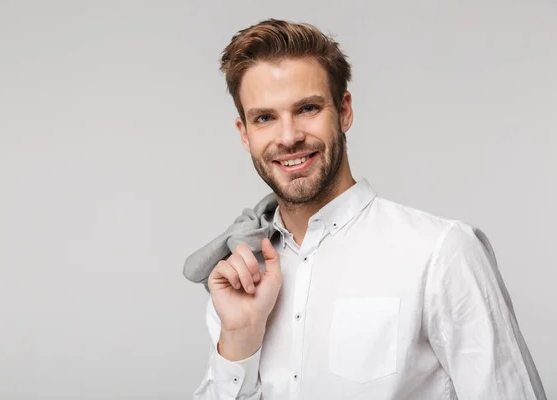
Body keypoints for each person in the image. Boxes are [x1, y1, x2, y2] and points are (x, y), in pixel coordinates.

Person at [187, 18, 546, 399]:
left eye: (307, 108)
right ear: (245, 134)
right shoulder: (240, 276)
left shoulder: (440, 252)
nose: (288, 137)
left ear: (344, 112)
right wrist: (239, 339)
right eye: (265, 118)